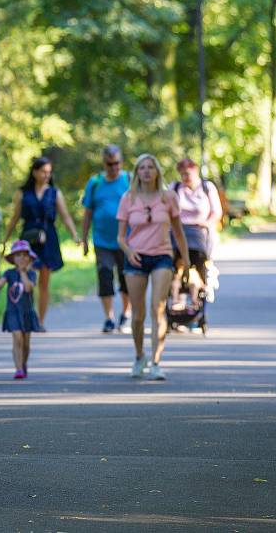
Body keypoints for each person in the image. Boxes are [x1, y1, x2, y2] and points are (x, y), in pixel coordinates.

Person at [116, 154, 189, 381]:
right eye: (142, 168)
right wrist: (129, 252)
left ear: (157, 171)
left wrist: (186, 260)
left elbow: (178, 232)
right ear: (137, 172)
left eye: (150, 167)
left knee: (157, 308)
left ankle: (157, 362)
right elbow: (120, 237)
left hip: (162, 257)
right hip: (136, 257)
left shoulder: (168, 198)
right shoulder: (128, 198)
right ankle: (140, 356)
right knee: (137, 316)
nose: (146, 171)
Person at [3, 156, 81, 331]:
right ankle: (27, 317)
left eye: (49, 172)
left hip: (48, 239)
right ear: (35, 172)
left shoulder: (55, 193)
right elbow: (15, 218)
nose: (47, 175)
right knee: (27, 278)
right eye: (43, 172)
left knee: (44, 282)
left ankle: (40, 321)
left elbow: (65, 216)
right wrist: (5, 239)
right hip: (28, 240)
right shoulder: (23, 193)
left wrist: (75, 235)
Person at [81, 145, 132, 334]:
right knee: (104, 275)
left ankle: (126, 314)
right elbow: (87, 213)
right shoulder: (95, 183)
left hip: (126, 240)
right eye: (110, 164)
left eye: (117, 163)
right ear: (104, 163)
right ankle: (109, 318)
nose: (114, 167)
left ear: (121, 162)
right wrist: (84, 239)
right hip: (102, 240)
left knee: (127, 277)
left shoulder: (129, 180)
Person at [0, 240, 38, 379]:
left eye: (25, 255)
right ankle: (18, 369)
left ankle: (23, 363)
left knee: (26, 343)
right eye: (18, 255)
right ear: (13, 259)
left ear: (29, 258)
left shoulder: (31, 274)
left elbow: (29, 288)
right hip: (12, 311)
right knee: (17, 338)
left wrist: (23, 272)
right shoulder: (9, 273)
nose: (22, 258)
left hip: (27, 312)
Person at [172, 158, 223, 282]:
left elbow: (217, 212)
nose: (185, 177)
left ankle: (204, 281)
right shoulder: (175, 187)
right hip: (180, 231)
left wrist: (205, 224)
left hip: (201, 232)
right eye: (182, 174)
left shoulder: (207, 187)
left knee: (201, 257)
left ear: (195, 171)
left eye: (188, 173)